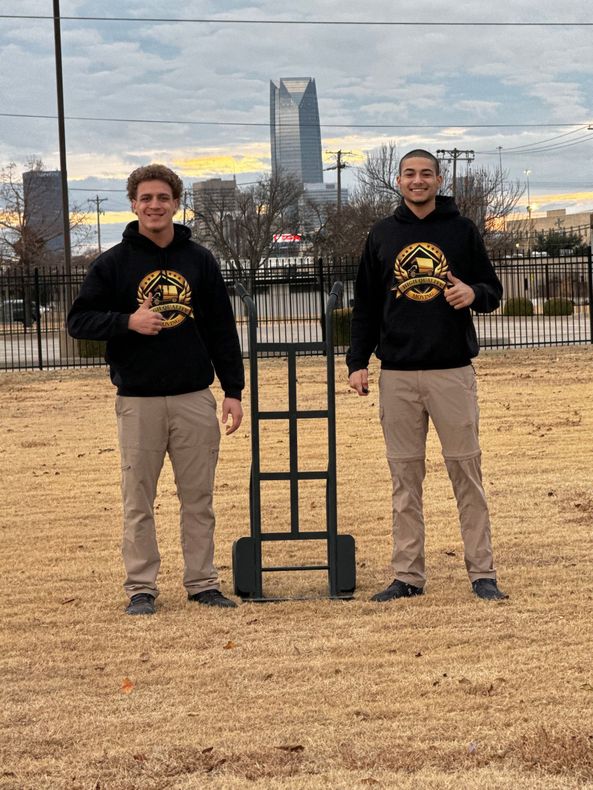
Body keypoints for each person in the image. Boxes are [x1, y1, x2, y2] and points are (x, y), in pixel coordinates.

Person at [68, 164, 244, 614]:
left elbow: (222, 329)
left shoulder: (199, 260)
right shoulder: (112, 264)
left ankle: (203, 583)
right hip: (138, 401)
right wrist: (129, 321)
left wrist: (233, 390)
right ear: (133, 204)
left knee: (198, 499)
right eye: (145, 198)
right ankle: (141, 589)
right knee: (138, 501)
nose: (154, 206)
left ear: (175, 203)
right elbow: (78, 321)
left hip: (192, 397)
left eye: (162, 198)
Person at [347, 149, 508, 602]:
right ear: (397, 181)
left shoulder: (462, 230)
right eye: (409, 174)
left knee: (466, 475)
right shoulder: (381, 234)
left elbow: (492, 292)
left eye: (426, 174)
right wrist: (357, 362)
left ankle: (483, 573)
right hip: (396, 375)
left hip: (451, 371)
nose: (417, 181)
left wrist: (470, 292)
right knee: (405, 479)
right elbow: (365, 305)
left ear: (439, 180)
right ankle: (407, 577)